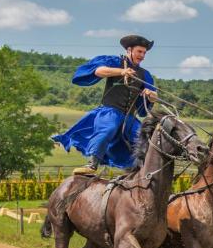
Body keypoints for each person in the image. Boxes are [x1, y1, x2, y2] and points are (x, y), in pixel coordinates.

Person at [53, 34, 159, 174]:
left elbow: (151, 97)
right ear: (129, 50)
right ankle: (92, 164)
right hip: (110, 111)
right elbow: (98, 71)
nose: (142, 55)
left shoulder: (145, 75)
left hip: (130, 117)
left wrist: (152, 96)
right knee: (108, 129)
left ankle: (143, 170)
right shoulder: (114, 61)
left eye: (144, 53)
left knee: (147, 138)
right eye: (139, 51)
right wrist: (121, 71)